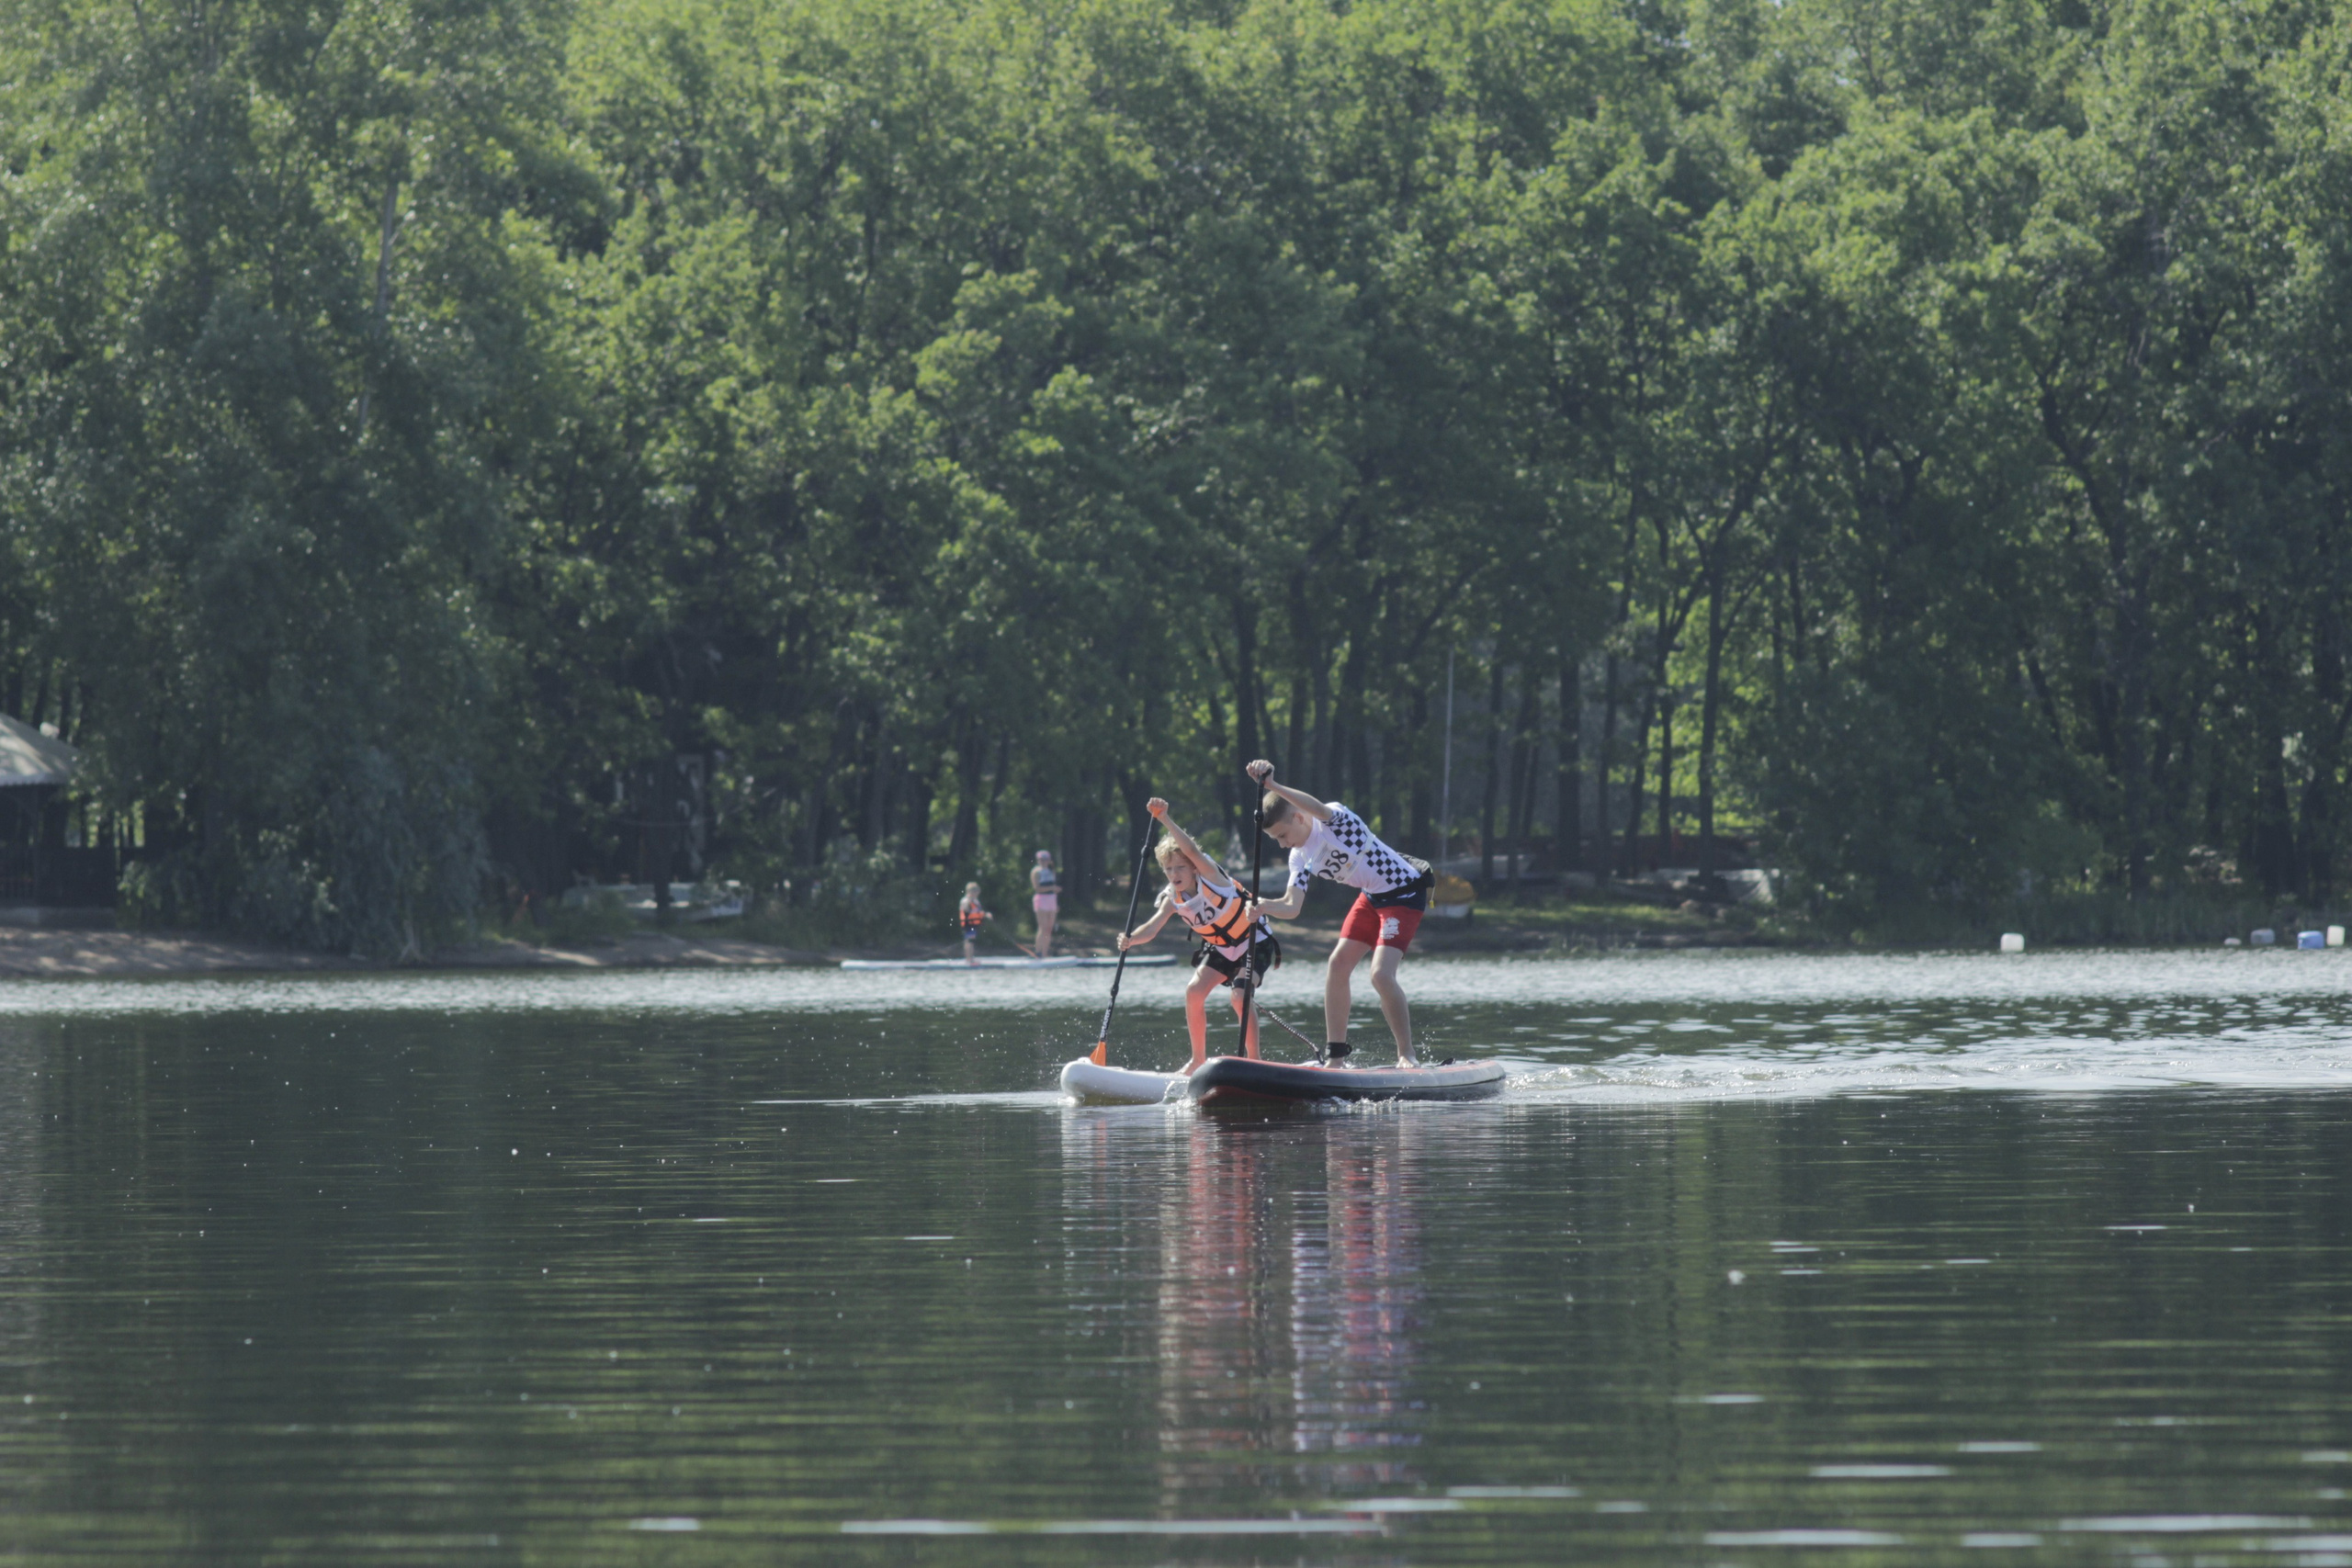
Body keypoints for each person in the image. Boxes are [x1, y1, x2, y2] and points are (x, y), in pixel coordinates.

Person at [1244, 759, 1430, 1066]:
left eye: (1281, 835)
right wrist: (1264, 905)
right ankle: (1336, 1058)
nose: (1280, 845)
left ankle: (1407, 1054)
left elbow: (1316, 805)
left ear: (1300, 818)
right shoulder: (1299, 858)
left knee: (1381, 976)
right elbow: (1292, 907)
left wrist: (1273, 786)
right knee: (1337, 964)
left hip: (1404, 892)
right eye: (1274, 839)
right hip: (1371, 898)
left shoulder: (1335, 820)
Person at [1115, 799, 1276, 1068]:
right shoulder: (1172, 897)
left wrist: (1164, 818)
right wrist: (1130, 939)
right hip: (1223, 948)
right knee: (1193, 992)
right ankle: (1197, 1061)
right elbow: (1153, 927)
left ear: (1192, 866)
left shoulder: (1210, 875)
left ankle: (1255, 1061)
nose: (1173, 874)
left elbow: (1189, 848)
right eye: (1168, 869)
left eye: (1179, 867)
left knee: (1238, 997)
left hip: (1254, 941)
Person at [1029, 849, 1060, 958]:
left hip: (1051, 899)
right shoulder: (1036, 872)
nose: (1043, 862)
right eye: (1041, 860)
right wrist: (1051, 888)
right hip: (1041, 899)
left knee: (1049, 928)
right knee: (1042, 927)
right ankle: (1037, 952)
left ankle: (1045, 953)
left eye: (1045, 859)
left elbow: (1053, 887)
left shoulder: (1052, 871)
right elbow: (1037, 888)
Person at [956, 882, 989, 965]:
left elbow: (978, 911)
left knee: (972, 941)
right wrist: (970, 901)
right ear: (971, 892)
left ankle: (971, 958)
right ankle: (968, 959)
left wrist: (986, 915)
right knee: (969, 941)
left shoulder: (976, 901)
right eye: (976, 892)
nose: (977, 894)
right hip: (968, 924)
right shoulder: (965, 900)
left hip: (974, 923)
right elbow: (966, 909)